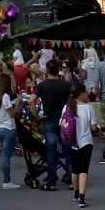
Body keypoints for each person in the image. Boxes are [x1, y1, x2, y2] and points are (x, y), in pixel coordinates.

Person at [32, 60, 72, 191]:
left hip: (49, 119)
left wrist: (37, 117)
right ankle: (72, 180)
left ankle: (51, 181)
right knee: (67, 150)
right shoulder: (66, 85)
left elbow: (31, 100)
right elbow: (73, 100)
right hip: (64, 120)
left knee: (51, 151)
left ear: (47, 70)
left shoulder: (42, 85)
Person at [66, 83, 98, 208]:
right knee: (84, 169)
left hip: (72, 141)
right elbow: (93, 127)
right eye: (85, 92)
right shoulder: (88, 108)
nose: (87, 94)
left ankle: (76, 192)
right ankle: (82, 197)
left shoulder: (67, 107)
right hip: (86, 141)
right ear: (80, 94)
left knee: (75, 169)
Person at [0, 76, 21, 190]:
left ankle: (6, 180)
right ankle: (7, 181)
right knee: (6, 156)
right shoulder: (5, 96)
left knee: (4, 153)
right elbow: (12, 114)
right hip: (8, 127)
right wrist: (17, 103)